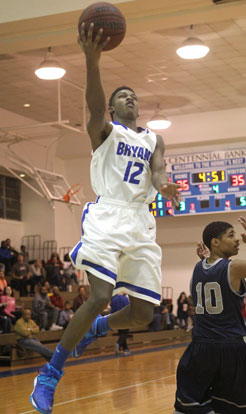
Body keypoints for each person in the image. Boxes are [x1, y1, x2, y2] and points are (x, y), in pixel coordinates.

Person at [30, 23, 182, 414]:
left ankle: (98, 328)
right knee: (100, 294)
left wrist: (164, 187)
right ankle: (49, 374)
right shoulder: (104, 131)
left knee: (145, 313)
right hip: (108, 213)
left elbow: (159, 170)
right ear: (112, 109)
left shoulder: (153, 139)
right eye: (122, 97)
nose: (130, 99)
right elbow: (95, 106)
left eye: (133, 96)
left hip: (141, 220)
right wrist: (91, 60)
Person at [174, 216, 246, 414]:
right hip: (231, 348)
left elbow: (213, 269)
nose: (237, 239)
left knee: (189, 405)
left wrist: (208, 257)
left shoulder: (198, 268)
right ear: (215, 242)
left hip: (201, 349)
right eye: (231, 236)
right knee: (231, 408)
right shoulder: (235, 268)